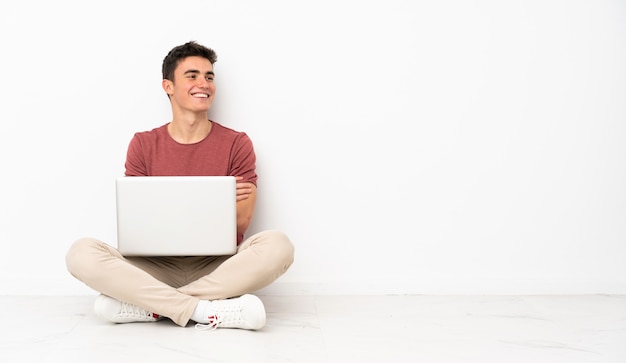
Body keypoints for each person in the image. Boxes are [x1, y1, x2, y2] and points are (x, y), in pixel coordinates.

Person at [65, 41, 295, 330]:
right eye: (192, 76)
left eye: (209, 76)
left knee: (278, 246)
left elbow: (241, 219)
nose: (204, 83)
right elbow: (137, 221)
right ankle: (203, 310)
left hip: (218, 266)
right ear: (168, 86)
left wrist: (169, 207)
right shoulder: (143, 144)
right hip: (154, 267)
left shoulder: (237, 143)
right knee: (81, 253)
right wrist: (217, 200)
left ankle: (152, 306)